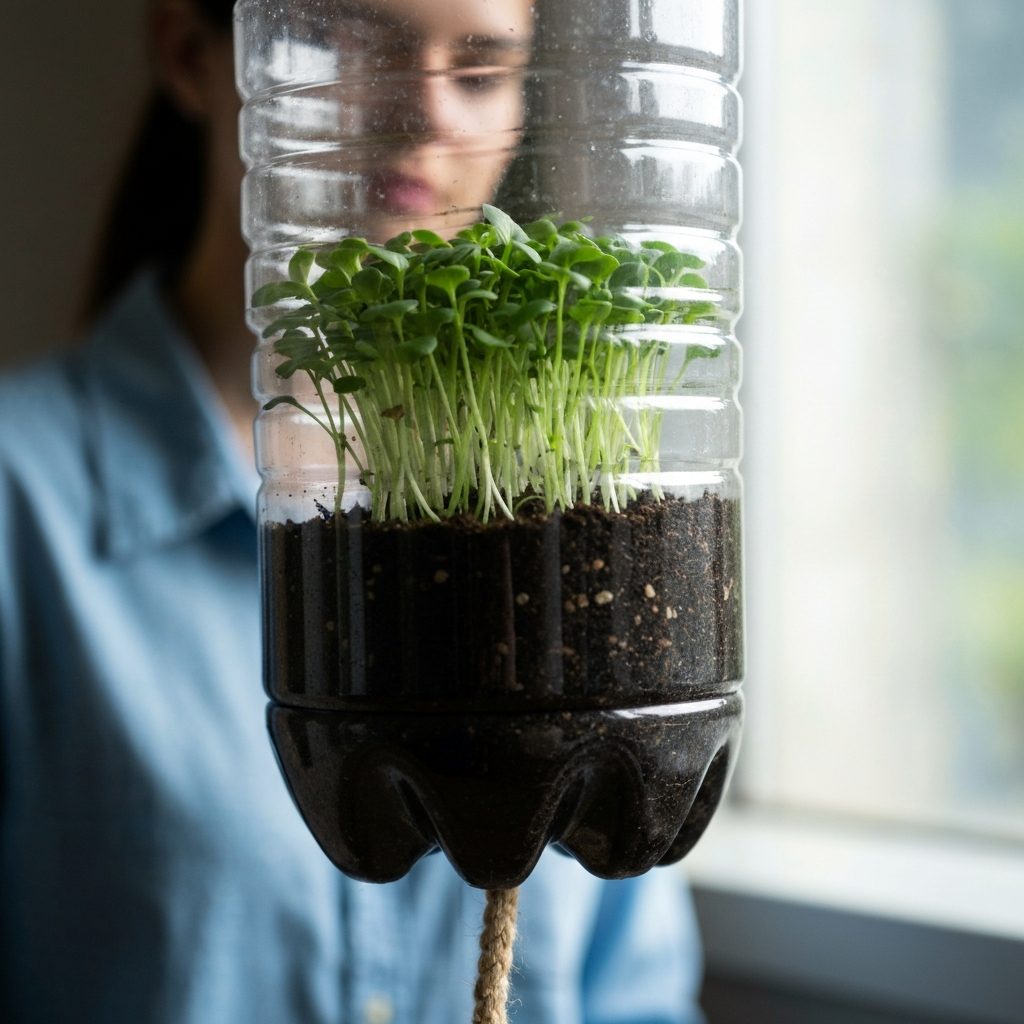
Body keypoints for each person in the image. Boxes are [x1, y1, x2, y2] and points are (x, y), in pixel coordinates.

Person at [0, 0, 707, 1021]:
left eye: (479, 68)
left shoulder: (568, 532)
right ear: (191, 52)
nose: (422, 114)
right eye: (349, 43)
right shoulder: (23, 510)